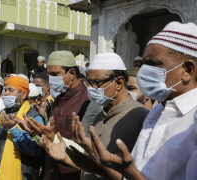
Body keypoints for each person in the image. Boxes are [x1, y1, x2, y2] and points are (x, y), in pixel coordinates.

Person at [70, 21, 197, 180]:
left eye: (153, 64)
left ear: (187, 70)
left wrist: (127, 172)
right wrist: (100, 165)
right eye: (144, 64)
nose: (144, 72)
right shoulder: (156, 113)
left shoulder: (192, 122)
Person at [46, 50, 90, 180]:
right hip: (53, 169)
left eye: (55, 74)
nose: (51, 79)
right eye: (49, 75)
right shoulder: (58, 99)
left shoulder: (87, 99)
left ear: (72, 74)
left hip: (74, 171)